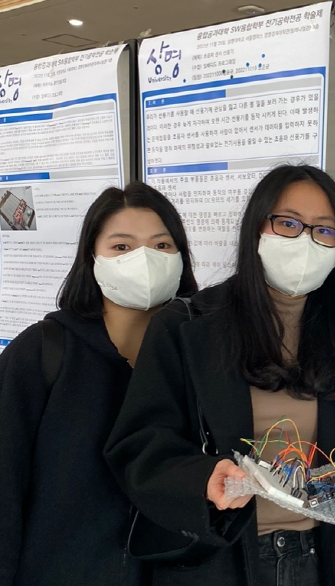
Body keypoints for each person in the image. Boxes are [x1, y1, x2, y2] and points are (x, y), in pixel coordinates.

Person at [105, 164, 335, 586]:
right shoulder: (187, 326)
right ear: (257, 228)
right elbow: (139, 447)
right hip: (220, 565)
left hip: (324, 563)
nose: (305, 240)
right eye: (288, 223)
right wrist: (202, 480)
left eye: (324, 230)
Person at [0, 182, 198, 586]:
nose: (144, 259)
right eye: (122, 246)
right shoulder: (43, 352)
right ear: (91, 257)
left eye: (162, 245)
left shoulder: (202, 355)